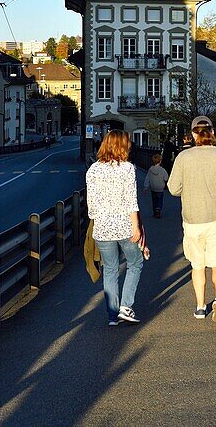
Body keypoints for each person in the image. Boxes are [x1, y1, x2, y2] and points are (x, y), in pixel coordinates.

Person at [167, 115, 216, 323]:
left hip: (192, 219)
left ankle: (200, 307)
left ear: (193, 135)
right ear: (212, 133)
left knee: (197, 265)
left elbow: (172, 188)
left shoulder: (183, 158)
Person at [86, 130, 146, 326]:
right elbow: (131, 201)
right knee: (135, 263)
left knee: (110, 270)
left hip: (102, 228)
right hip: (124, 227)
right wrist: (136, 227)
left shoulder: (93, 169)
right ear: (123, 145)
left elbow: (91, 205)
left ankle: (112, 315)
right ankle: (126, 307)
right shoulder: (127, 169)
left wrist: (99, 219)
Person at [144, 153, 169, 218]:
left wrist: (145, 187)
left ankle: (155, 211)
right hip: (160, 188)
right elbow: (166, 178)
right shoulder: (162, 170)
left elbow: (147, 178)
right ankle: (158, 209)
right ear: (160, 161)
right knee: (160, 199)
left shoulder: (150, 169)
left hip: (153, 188)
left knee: (154, 200)